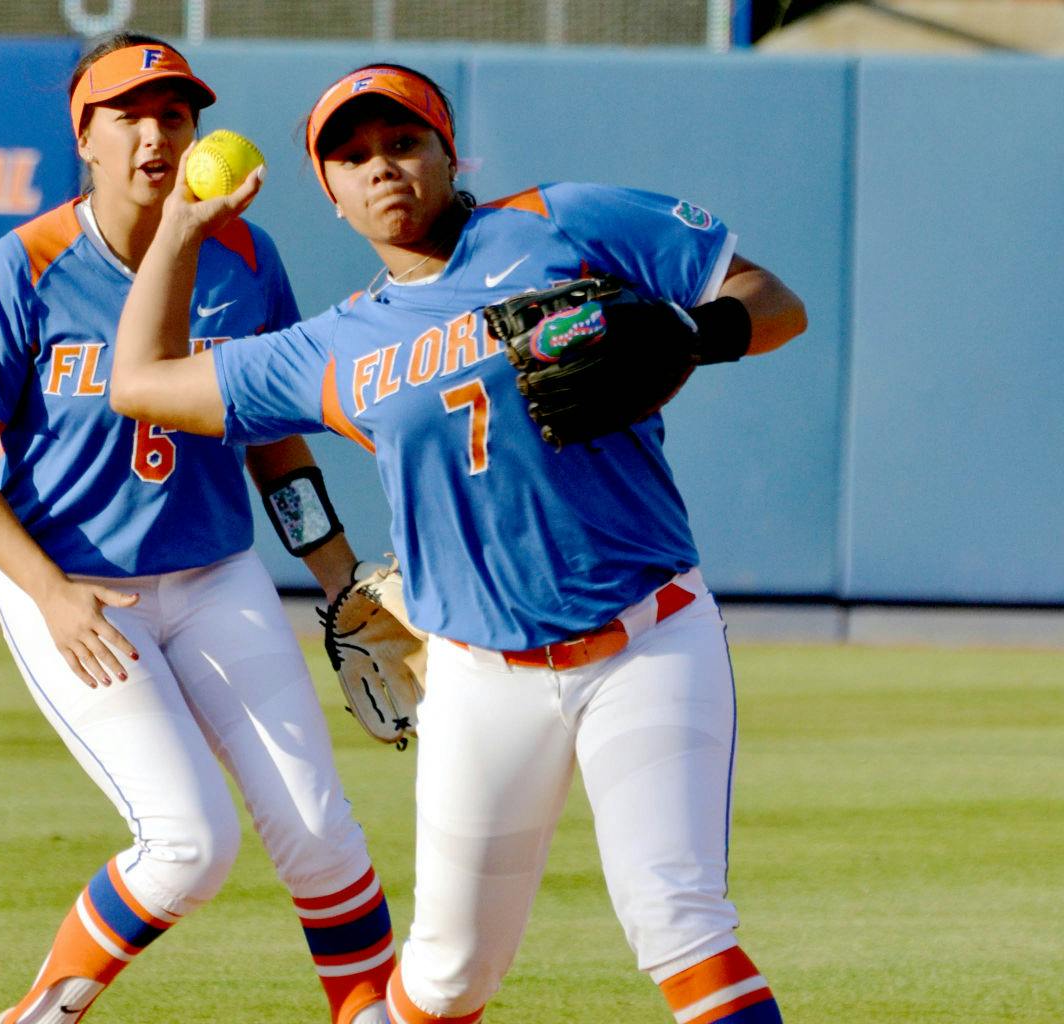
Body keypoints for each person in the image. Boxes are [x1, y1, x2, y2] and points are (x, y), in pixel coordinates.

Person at [110, 64, 807, 1024]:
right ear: (332, 195)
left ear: (448, 152)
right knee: (445, 978)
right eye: (352, 158)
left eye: (402, 144)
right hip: (481, 677)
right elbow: (138, 381)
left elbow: (773, 298)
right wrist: (184, 233)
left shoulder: (561, 223)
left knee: (678, 920)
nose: (382, 170)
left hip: (648, 637)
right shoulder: (333, 347)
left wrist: (698, 328)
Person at [0, 36, 396, 1024]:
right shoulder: (22, 270)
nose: (154, 132)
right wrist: (47, 594)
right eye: (128, 114)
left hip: (218, 577)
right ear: (85, 137)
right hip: (80, 589)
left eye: (174, 115)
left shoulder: (244, 258)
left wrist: (344, 580)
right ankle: (39, 1015)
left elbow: (273, 444)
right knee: (188, 843)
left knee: (322, 835)